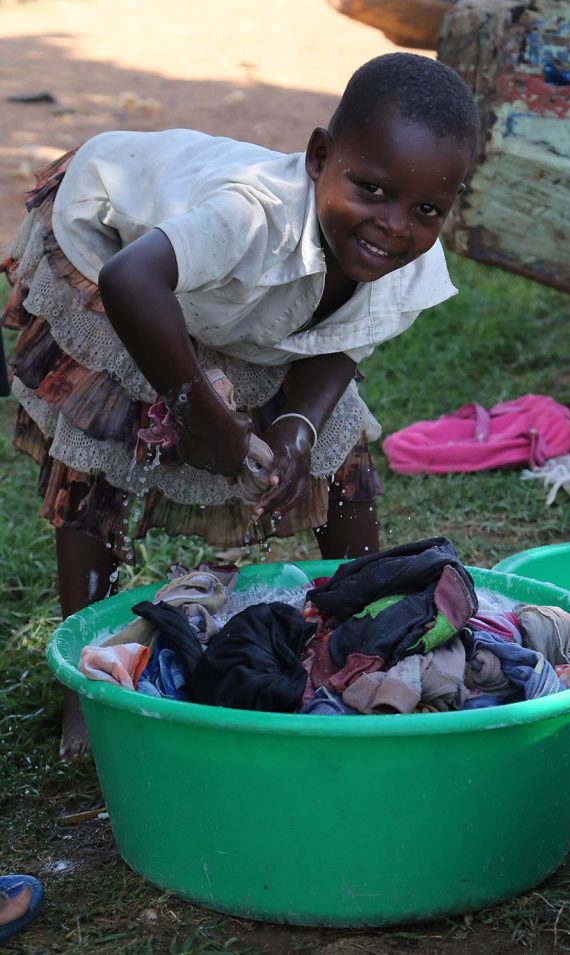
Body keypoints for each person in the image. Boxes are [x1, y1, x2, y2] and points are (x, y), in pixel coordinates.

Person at [0, 52, 479, 755]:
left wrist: (294, 427)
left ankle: (363, 631)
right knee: (100, 453)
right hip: (113, 244)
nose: (394, 226)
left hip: (218, 296)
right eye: (371, 189)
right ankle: (86, 690)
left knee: (337, 449)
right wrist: (205, 417)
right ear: (320, 157)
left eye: (426, 208)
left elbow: (350, 336)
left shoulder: (407, 257)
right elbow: (131, 280)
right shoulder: (248, 216)